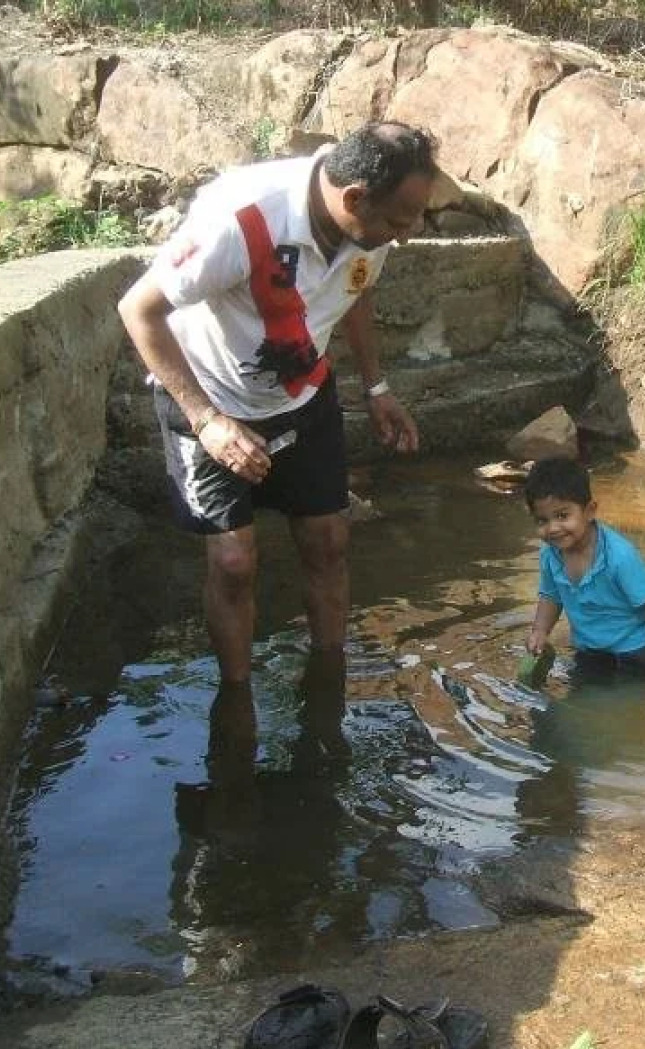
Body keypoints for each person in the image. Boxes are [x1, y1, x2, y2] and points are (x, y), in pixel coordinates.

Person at [118, 121, 437, 684]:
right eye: (398, 222)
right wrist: (208, 422)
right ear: (354, 199)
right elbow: (138, 311)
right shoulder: (243, 219)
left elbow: (356, 289)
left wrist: (376, 386)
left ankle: (329, 680)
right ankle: (236, 703)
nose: (405, 236)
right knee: (235, 563)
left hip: (302, 394)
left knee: (329, 540)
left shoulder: (369, 230)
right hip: (210, 398)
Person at [524, 458, 645, 679]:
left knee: (636, 701)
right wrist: (540, 631)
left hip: (637, 650)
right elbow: (550, 597)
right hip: (590, 649)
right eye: (542, 520)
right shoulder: (550, 555)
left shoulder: (618, 556)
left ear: (590, 511)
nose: (553, 528)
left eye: (562, 516)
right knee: (583, 694)